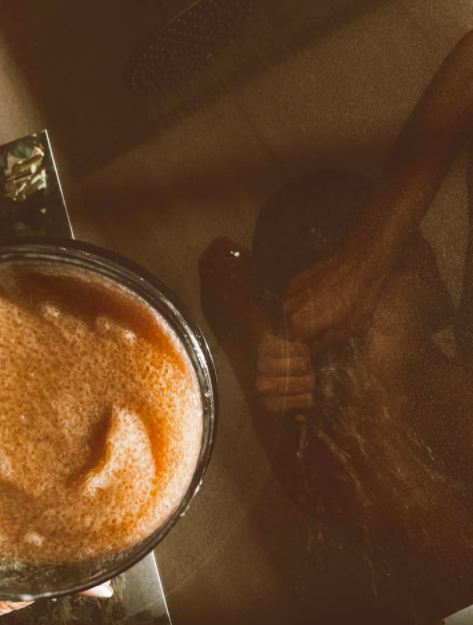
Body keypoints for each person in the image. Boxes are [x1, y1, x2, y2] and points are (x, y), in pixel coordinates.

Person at [199, 30, 473, 625]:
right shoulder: (336, 469)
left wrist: (364, 259)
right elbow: (220, 268)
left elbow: (219, 266)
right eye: (411, 252)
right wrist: (369, 260)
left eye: (408, 240)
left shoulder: (322, 473)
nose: (428, 258)